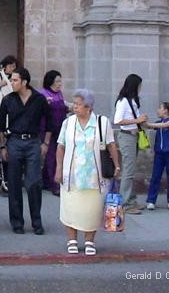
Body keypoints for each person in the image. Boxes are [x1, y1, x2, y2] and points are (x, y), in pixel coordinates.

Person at [55, 89, 120, 256]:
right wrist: (59, 168)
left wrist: (117, 166)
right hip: (72, 175)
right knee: (70, 209)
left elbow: (111, 145)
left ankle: (90, 240)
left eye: (78, 104)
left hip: (94, 177)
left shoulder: (102, 122)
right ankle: (72, 240)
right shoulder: (68, 123)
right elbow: (61, 146)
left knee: (92, 210)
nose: (74, 107)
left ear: (89, 107)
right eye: (74, 104)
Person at [0, 68, 52, 235]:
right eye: (11, 80)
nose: (11, 83)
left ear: (24, 82)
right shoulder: (8, 99)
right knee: (13, 183)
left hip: (33, 142)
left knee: (34, 182)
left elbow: (50, 122)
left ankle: (37, 221)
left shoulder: (39, 99)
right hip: (14, 141)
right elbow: (0, 125)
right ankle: (17, 222)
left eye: (15, 80)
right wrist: (3, 146)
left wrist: (46, 143)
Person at [112, 73, 147, 213]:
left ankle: (131, 201)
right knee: (128, 171)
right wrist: (137, 120)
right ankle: (125, 204)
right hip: (127, 137)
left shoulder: (131, 100)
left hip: (133, 136)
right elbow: (117, 120)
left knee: (130, 170)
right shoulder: (123, 101)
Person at [144, 102, 169, 211]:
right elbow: (147, 126)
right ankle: (151, 200)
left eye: (160, 108)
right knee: (155, 176)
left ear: (165, 110)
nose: (158, 110)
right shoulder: (158, 122)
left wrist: (150, 124)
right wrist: (141, 121)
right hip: (159, 153)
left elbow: (166, 125)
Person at [39, 70, 68, 195]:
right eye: (57, 81)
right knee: (52, 156)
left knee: (56, 154)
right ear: (50, 81)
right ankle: (54, 184)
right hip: (48, 128)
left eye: (60, 81)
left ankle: (45, 180)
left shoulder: (59, 94)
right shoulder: (43, 94)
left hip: (60, 127)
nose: (59, 84)